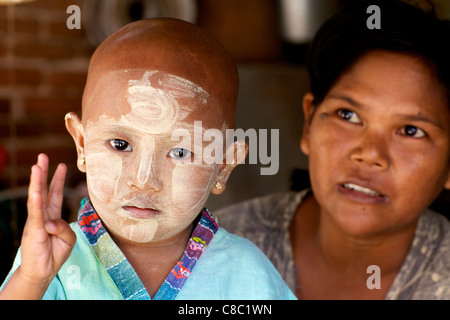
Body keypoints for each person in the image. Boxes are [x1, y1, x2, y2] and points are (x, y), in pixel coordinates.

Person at [0, 18, 295, 300]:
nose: (143, 179)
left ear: (223, 166)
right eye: (120, 144)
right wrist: (31, 280)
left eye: (180, 152)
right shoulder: (53, 263)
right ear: (81, 144)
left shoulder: (246, 272)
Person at [215, 0, 450, 299]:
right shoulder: (215, 248)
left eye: (411, 131)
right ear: (309, 123)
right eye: (347, 115)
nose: (369, 154)